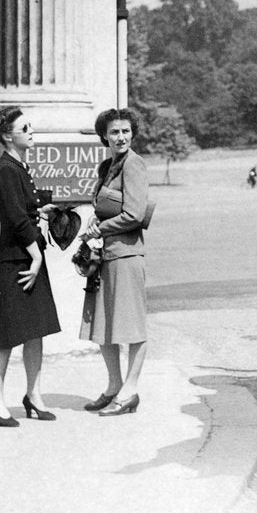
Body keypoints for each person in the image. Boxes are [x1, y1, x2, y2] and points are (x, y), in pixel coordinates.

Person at [0, 107, 60, 426]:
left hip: (28, 256)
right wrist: (36, 257)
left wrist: (41, 210)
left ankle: (33, 396)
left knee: (36, 329)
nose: (31, 131)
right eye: (24, 128)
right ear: (8, 136)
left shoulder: (18, 166)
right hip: (18, 261)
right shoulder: (5, 170)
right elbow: (16, 219)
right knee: (6, 334)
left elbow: (23, 209)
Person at [80, 108, 149, 415]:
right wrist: (95, 224)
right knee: (103, 323)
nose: (121, 137)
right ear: (104, 137)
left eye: (125, 131)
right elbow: (105, 207)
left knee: (132, 326)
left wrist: (100, 228)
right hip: (105, 255)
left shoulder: (134, 164)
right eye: (114, 132)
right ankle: (113, 386)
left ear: (132, 133)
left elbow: (134, 214)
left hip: (126, 255)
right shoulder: (108, 166)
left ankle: (129, 391)